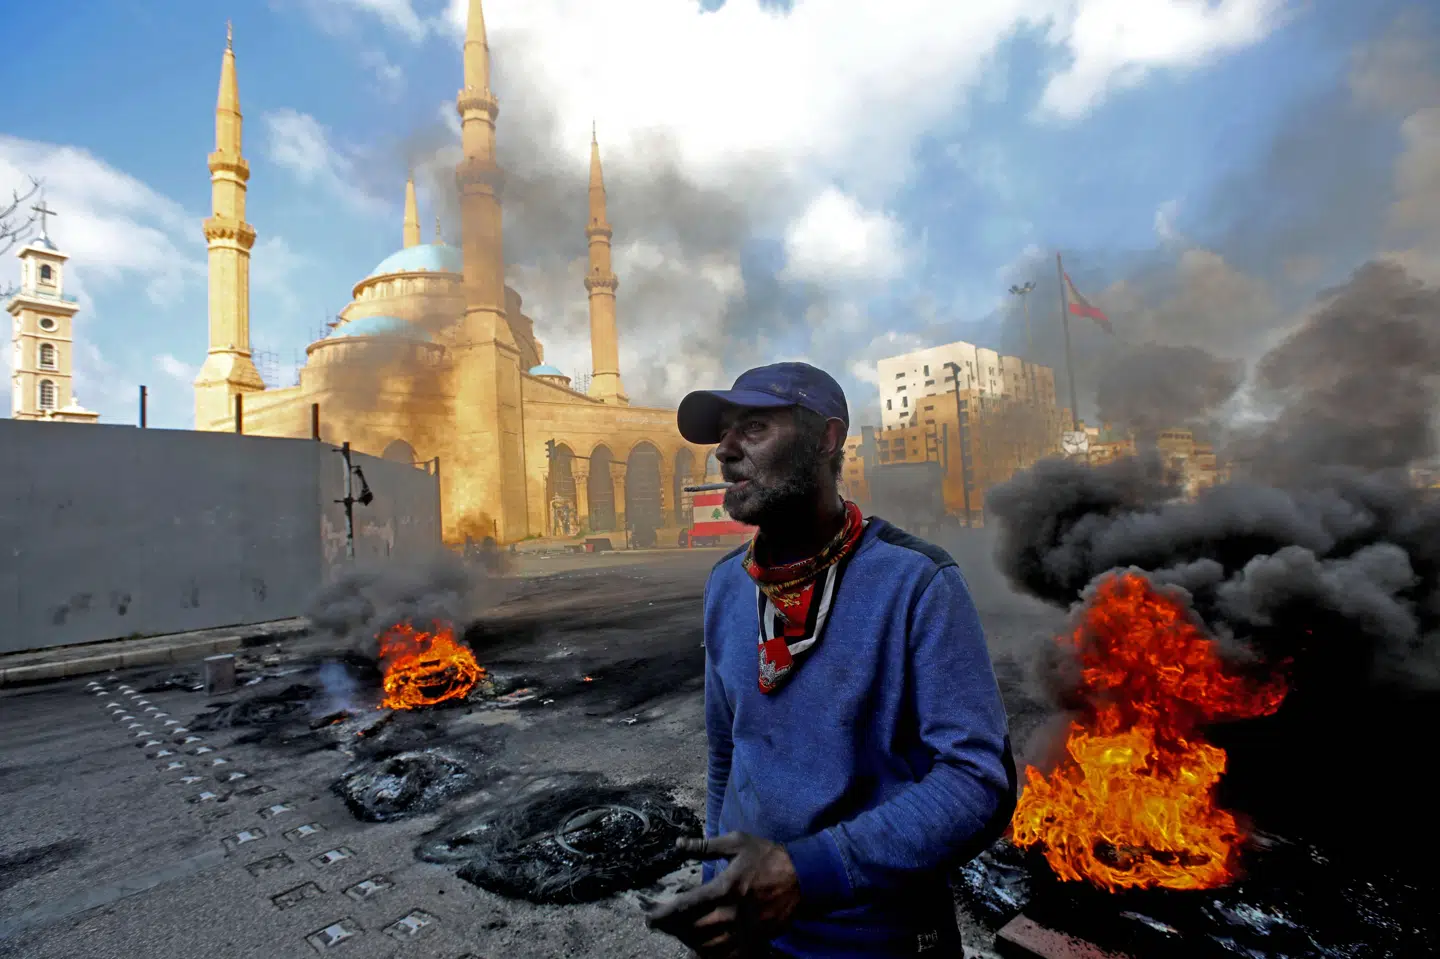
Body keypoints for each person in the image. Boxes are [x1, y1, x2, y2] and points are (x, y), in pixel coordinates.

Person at [645, 362, 1017, 958]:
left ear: (827, 438)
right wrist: (720, 884)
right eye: (724, 432)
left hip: (878, 939)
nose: (725, 451)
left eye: (754, 427)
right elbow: (728, 752)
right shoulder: (727, 584)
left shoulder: (916, 581)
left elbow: (978, 781)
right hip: (753, 931)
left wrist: (809, 871)